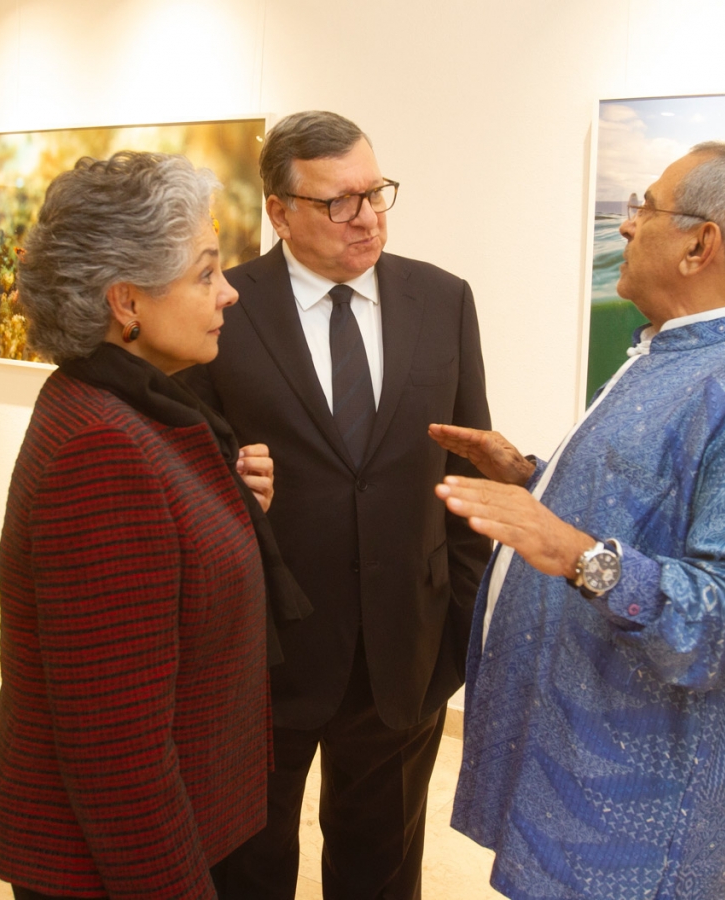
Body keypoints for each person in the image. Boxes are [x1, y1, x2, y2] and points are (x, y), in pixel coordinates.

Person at [432, 142, 725, 900]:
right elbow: (651, 508)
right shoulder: (676, 357)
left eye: (646, 208)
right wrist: (532, 476)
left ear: (700, 243)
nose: (627, 227)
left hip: (639, 820)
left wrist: (574, 554)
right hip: (581, 771)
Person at [179, 110, 492, 899]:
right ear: (279, 212)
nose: (369, 217)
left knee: (380, 871)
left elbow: (469, 464)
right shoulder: (224, 308)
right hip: (262, 656)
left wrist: (456, 622)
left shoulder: (442, 299)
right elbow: (187, 474)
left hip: (404, 654)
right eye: (338, 203)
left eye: (376, 192)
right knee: (249, 868)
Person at [0, 151, 296, 900]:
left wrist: (233, 512)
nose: (229, 295)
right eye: (206, 273)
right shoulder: (104, 448)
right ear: (127, 302)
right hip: (111, 866)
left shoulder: (127, 406)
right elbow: (115, 748)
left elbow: (163, 577)